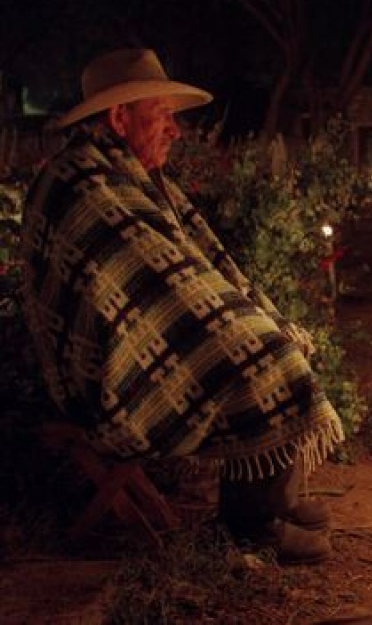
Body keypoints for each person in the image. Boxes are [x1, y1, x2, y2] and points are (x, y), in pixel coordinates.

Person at [18, 48, 344, 563]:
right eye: (162, 115)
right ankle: (251, 527)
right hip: (102, 375)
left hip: (139, 341)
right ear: (119, 117)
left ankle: (274, 502)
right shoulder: (82, 181)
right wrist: (233, 327)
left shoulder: (126, 172)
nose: (175, 130)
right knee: (260, 358)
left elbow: (190, 267)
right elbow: (143, 284)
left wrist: (242, 314)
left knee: (272, 336)